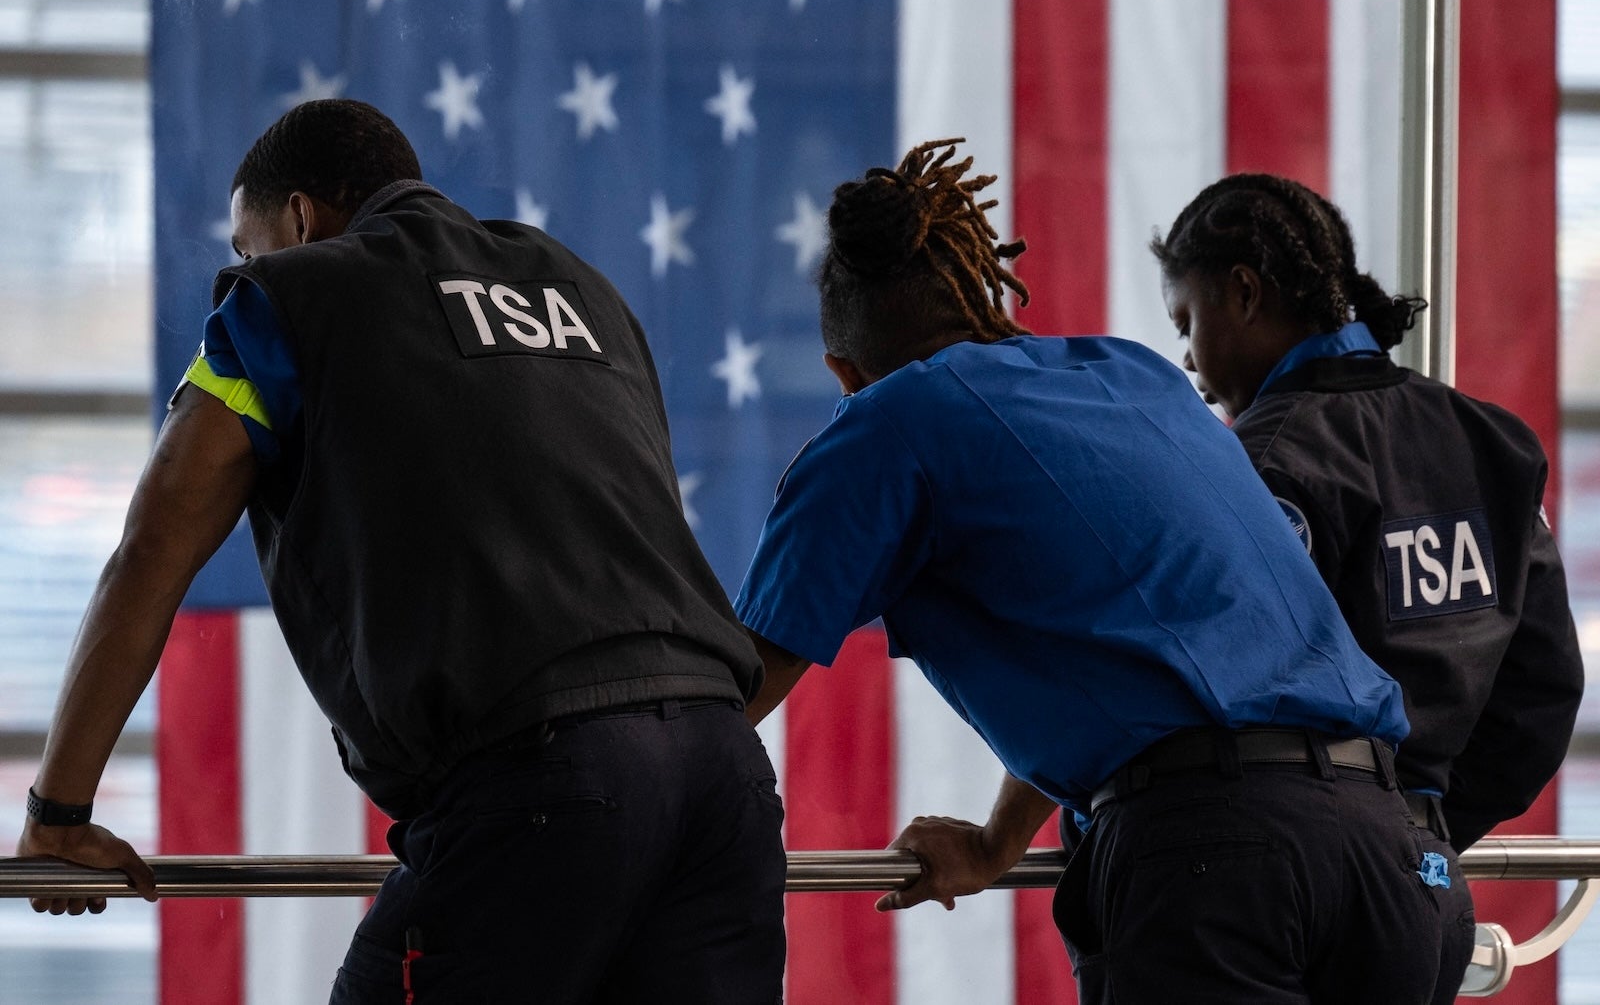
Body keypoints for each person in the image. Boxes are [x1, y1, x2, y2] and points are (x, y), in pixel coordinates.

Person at [15, 99, 786, 1003]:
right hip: (723, 774)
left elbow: (153, 542)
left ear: (300, 218)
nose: (244, 266)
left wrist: (57, 813)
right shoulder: (586, 293)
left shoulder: (285, 301)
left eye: (246, 243)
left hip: (539, 777)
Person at [735, 139, 1443, 1004]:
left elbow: (738, 685)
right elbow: (1128, 647)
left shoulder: (887, 424)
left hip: (1221, 865)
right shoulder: (1135, 374)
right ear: (990, 310)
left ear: (846, 374)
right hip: (1391, 849)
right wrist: (999, 841)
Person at [1151, 171, 1586, 1004]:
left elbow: (1203, 674)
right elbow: (1541, 694)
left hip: (1263, 883)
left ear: (1243, 294)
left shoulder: (1265, 461)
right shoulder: (1488, 442)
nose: (1187, 360)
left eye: (1188, 322)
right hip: (1415, 889)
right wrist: (1417, 824)